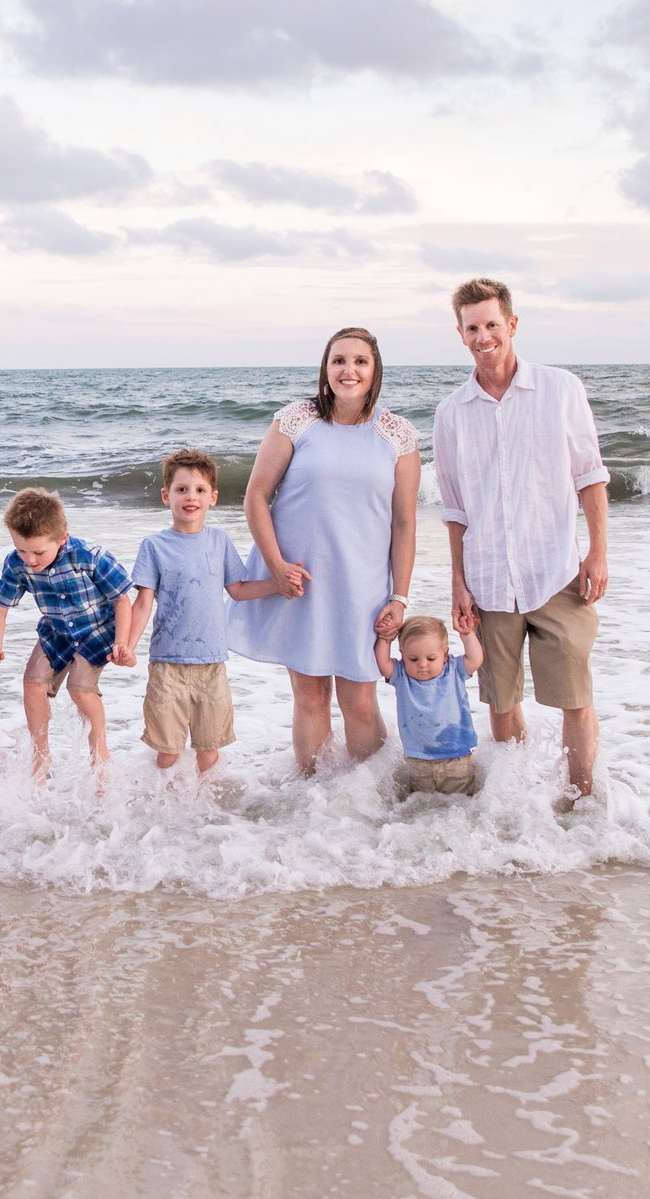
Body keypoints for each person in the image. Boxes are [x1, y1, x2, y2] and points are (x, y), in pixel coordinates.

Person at [433, 277, 611, 808]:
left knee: (575, 699)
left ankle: (581, 802)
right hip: (488, 580)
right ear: (460, 334)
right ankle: (520, 801)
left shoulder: (561, 389)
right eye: (472, 327)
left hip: (556, 571)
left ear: (512, 324)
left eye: (492, 324)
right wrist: (459, 582)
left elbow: (590, 475)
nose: (483, 335)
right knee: (501, 702)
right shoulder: (452, 412)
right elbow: (455, 507)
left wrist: (598, 551)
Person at [229, 327, 422, 775]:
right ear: (326, 368)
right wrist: (277, 569)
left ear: (375, 371)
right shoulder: (297, 420)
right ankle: (313, 801)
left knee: (359, 696)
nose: (348, 370)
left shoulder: (399, 436)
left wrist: (400, 596)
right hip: (299, 580)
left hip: (363, 585)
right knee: (310, 695)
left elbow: (404, 523)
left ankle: (370, 802)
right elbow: (256, 496)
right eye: (339, 360)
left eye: (359, 361)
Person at [128, 449, 283, 780]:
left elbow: (238, 589)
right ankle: (161, 808)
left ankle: (206, 812)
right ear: (166, 495)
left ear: (212, 497)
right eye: (182, 490)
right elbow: (142, 603)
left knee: (209, 749)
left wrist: (276, 585)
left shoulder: (219, 541)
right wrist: (126, 644)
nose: (190, 497)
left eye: (199, 490)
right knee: (168, 750)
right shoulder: (154, 546)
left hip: (212, 663)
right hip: (167, 664)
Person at [0, 487, 134, 781]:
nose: (30, 559)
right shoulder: (17, 563)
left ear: (62, 538)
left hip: (97, 630)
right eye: (21, 549)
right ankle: (41, 755)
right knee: (32, 681)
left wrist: (122, 642)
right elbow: (0, 607)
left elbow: (122, 598)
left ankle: (99, 750)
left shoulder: (88, 556)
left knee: (79, 687)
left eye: (38, 552)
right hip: (57, 630)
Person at [374, 613, 484, 800]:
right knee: (422, 806)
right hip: (418, 762)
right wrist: (385, 638)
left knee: (459, 805)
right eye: (413, 659)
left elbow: (475, 659)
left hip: (456, 760)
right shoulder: (402, 676)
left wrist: (467, 634)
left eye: (431, 658)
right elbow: (383, 663)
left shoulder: (454, 671)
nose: (422, 665)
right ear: (402, 655)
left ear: (445, 655)